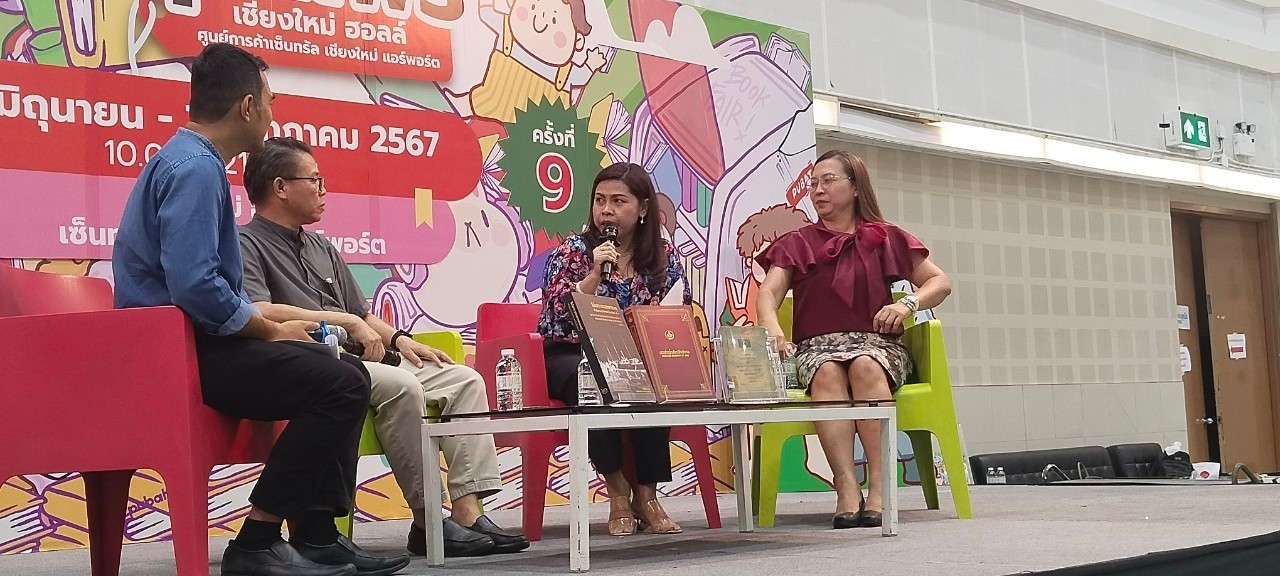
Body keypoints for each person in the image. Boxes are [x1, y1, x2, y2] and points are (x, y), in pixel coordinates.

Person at [111, 44, 410, 576]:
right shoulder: (196, 168)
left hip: (184, 345)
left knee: (339, 368)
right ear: (248, 106)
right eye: (270, 101)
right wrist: (267, 331)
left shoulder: (187, 160)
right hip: (179, 354)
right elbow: (197, 287)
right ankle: (258, 538)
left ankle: (318, 535)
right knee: (341, 381)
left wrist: (273, 329)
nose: (272, 114)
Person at [237, 137, 529, 558]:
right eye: (315, 181)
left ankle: (467, 514)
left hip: (368, 354)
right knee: (401, 386)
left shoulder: (322, 247)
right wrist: (346, 322)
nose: (323, 190)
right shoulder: (246, 243)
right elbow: (260, 310)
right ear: (280, 187)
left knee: (464, 379)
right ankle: (428, 521)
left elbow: (363, 313)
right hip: (321, 362)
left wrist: (401, 340)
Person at [755, 150, 952, 530]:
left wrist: (907, 304)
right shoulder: (797, 241)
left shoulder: (886, 236)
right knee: (827, 372)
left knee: (865, 366)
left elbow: (940, 282)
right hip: (817, 348)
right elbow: (768, 294)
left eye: (828, 181)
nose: (818, 190)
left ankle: (880, 487)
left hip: (878, 344)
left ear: (856, 187)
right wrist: (774, 332)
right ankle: (846, 486)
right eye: (813, 183)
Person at [536, 162, 690, 537]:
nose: (606, 210)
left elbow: (678, 310)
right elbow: (556, 316)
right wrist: (593, 276)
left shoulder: (663, 255)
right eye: (599, 200)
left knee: (654, 377)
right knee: (592, 375)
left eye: (618, 201)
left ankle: (647, 495)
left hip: (634, 357)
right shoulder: (574, 252)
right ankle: (617, 489)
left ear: (643, 207)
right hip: (569, 354)